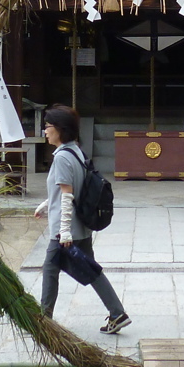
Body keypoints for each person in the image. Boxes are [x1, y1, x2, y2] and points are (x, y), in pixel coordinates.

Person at [33, 104, 131, 334]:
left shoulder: (61, 159)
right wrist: (47, 205)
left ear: (60, 129)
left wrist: (64, 232)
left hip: (66, 230)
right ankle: (117, 313)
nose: (45, 130)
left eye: (48, 126)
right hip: (81, 227)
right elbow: (70, 191)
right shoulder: (75, 151)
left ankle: (43, 319)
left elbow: (67, 195)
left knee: (50, 269)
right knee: (92, 270)